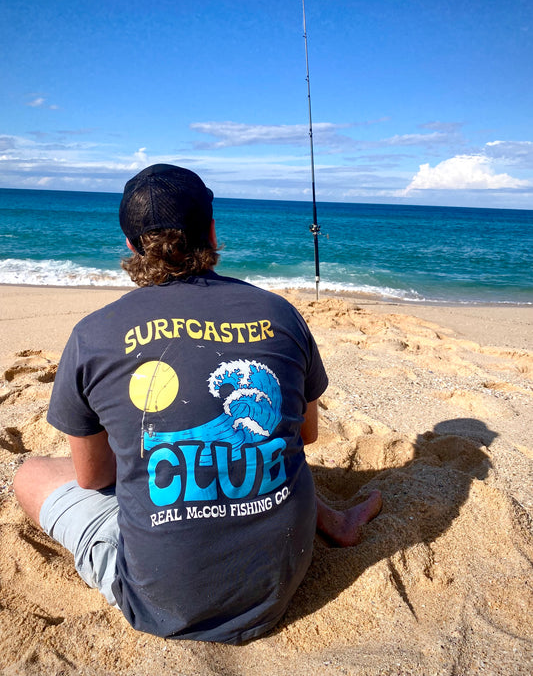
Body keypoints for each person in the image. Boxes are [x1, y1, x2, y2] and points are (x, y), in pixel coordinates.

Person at [14, 164, 381, 644]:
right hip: (280, 581)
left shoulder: (92, 334)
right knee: (271, 445)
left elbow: (93, 477)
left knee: (30, 474)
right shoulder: (281, 314)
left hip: (163, 604)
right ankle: (331, 521)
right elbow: (306, 433)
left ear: (131, 245)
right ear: (210, 231)